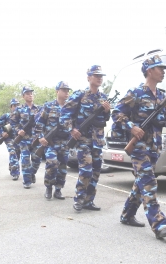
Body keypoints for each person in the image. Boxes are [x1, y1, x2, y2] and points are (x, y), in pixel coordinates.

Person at [111, 55, 166, 239]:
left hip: (154, 147)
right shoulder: (136, 93)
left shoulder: (161, 96)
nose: (163, 72)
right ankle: (159, 225)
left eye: (163, 69)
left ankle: (127, 215)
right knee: (149, 183)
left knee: (141, 184)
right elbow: (117, 113)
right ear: (149, 71)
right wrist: (132, 127)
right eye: (159, 68)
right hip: (138, 147)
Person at [60, 65, 111, 211]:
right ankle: (79, 199)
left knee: (95, 171)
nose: (99, 78)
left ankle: (89, 201)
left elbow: (104, 119)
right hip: (83, 139)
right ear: (89, 77)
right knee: (86, 170)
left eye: (101, 76)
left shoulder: (104, 98)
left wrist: (107, 111)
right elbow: (64, 113)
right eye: (96, 75)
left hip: (98, 140)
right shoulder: (80, 95)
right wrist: (72, 129)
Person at [35, 81, 71, 200]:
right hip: (50, 142)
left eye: (67, 90)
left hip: (65, 142)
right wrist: (40, 137)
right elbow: (39, 123)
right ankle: (49, 187)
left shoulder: (70, 107)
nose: (67, 92)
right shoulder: (48, 106)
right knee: (51, 163)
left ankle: (58, 190)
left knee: (63, 166)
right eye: (64, 90)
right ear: (57, 91)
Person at [10, 87, 42, 189]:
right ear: (23, 96)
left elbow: (43, 122)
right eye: (27, 93)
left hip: (36, 138)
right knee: (25, 160)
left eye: (31, 93)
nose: (30, 95)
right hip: (24, 139)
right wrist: (18, 130)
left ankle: (32, 173)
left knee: (37, 159)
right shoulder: (19, 109)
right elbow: (12, 123)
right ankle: (27, 181)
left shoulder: (39, 109)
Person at [0, 98, 22, 180]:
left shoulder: (22, 116)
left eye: (17, 105)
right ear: (11, 107)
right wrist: (1, 133)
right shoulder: (6, 116)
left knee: (17, 154)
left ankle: (12, 166)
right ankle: (15, 173)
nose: (16, 107)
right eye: (14, 105)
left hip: (18, 138)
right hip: (9, 138)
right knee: (12, 152)